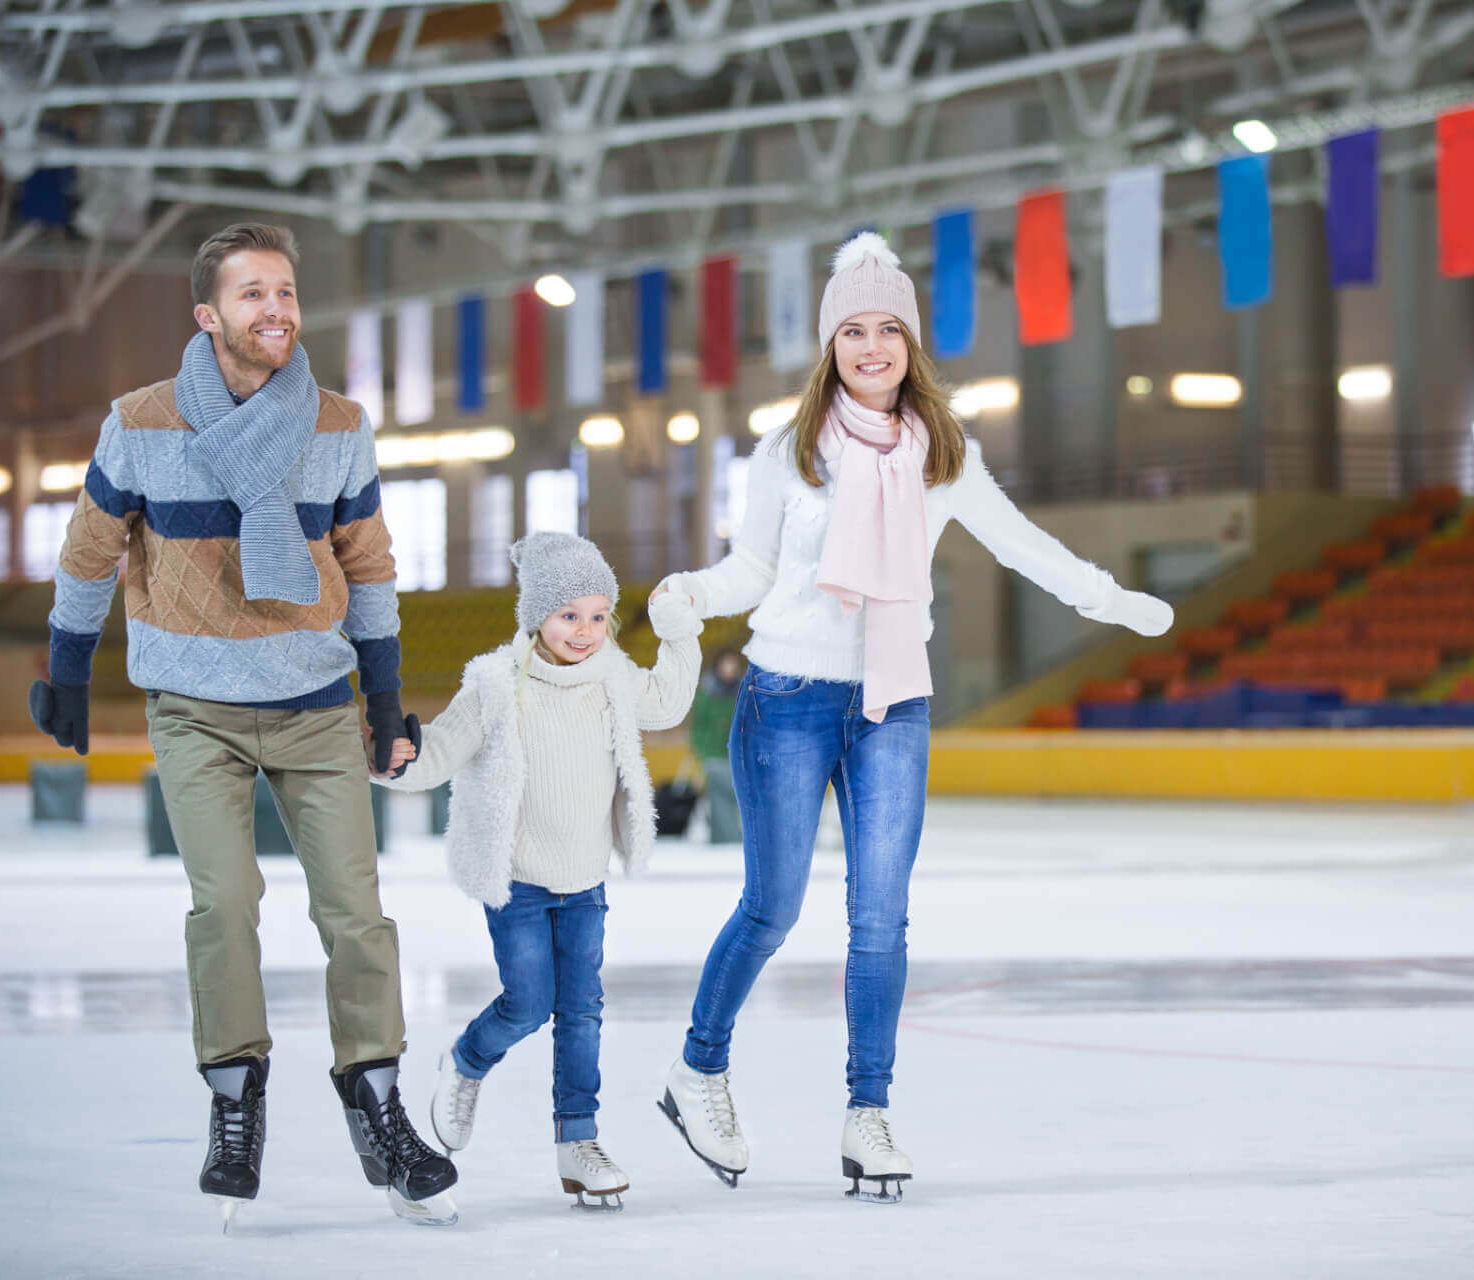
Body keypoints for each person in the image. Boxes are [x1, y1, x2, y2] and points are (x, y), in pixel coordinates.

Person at [649, 233, 1173, 1202]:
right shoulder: (787, 449)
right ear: (830, 344)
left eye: (888, 326)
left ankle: (868, 1109)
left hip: (894, 700)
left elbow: (1022, 544)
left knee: (880, 918)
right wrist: (690, 590)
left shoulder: (944, 452)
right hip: (789, 694)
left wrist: (1108, 597)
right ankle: (698, 1068)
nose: (871, 344)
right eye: (853, 328)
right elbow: (753, 570)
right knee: (772, 907)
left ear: (912, 341)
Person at [27, 222, 456, 1230]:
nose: (276, 310)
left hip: (313, 704)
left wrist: (385, 700)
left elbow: (369, 563)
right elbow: (90, 549)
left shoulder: (339, 422)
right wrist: (68, 666)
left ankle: (378, 1102)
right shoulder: (141, 422)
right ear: (207, 315)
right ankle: (235, 1105)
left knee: (358, 911)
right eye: (253, 294)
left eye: (288, 293)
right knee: (223, 902)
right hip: (195, 708)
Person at [375, 533, 702, 1210]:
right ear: (535, 618)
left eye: (597, 616)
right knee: (529, 1002)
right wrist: (400, 761)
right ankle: (467, 1061)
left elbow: (667, 704)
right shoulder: (496, 682)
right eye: (568, 616)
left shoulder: (613, 674)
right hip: (519, 881)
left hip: (585, 882)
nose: (585, 632)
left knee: (580, 1011)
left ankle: (578, 1141)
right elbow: (442, 749)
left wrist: (679, 633)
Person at [690, 647, 747, 844]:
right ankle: (723, 839)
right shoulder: (708, 691)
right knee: (717, 798)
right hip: (713, 754)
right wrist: (702, 751)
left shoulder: (743, 692)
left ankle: (729, 838)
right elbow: (698, 725)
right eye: (726, 663)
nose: (729, 668)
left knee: (732, 796)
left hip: (737, 755)